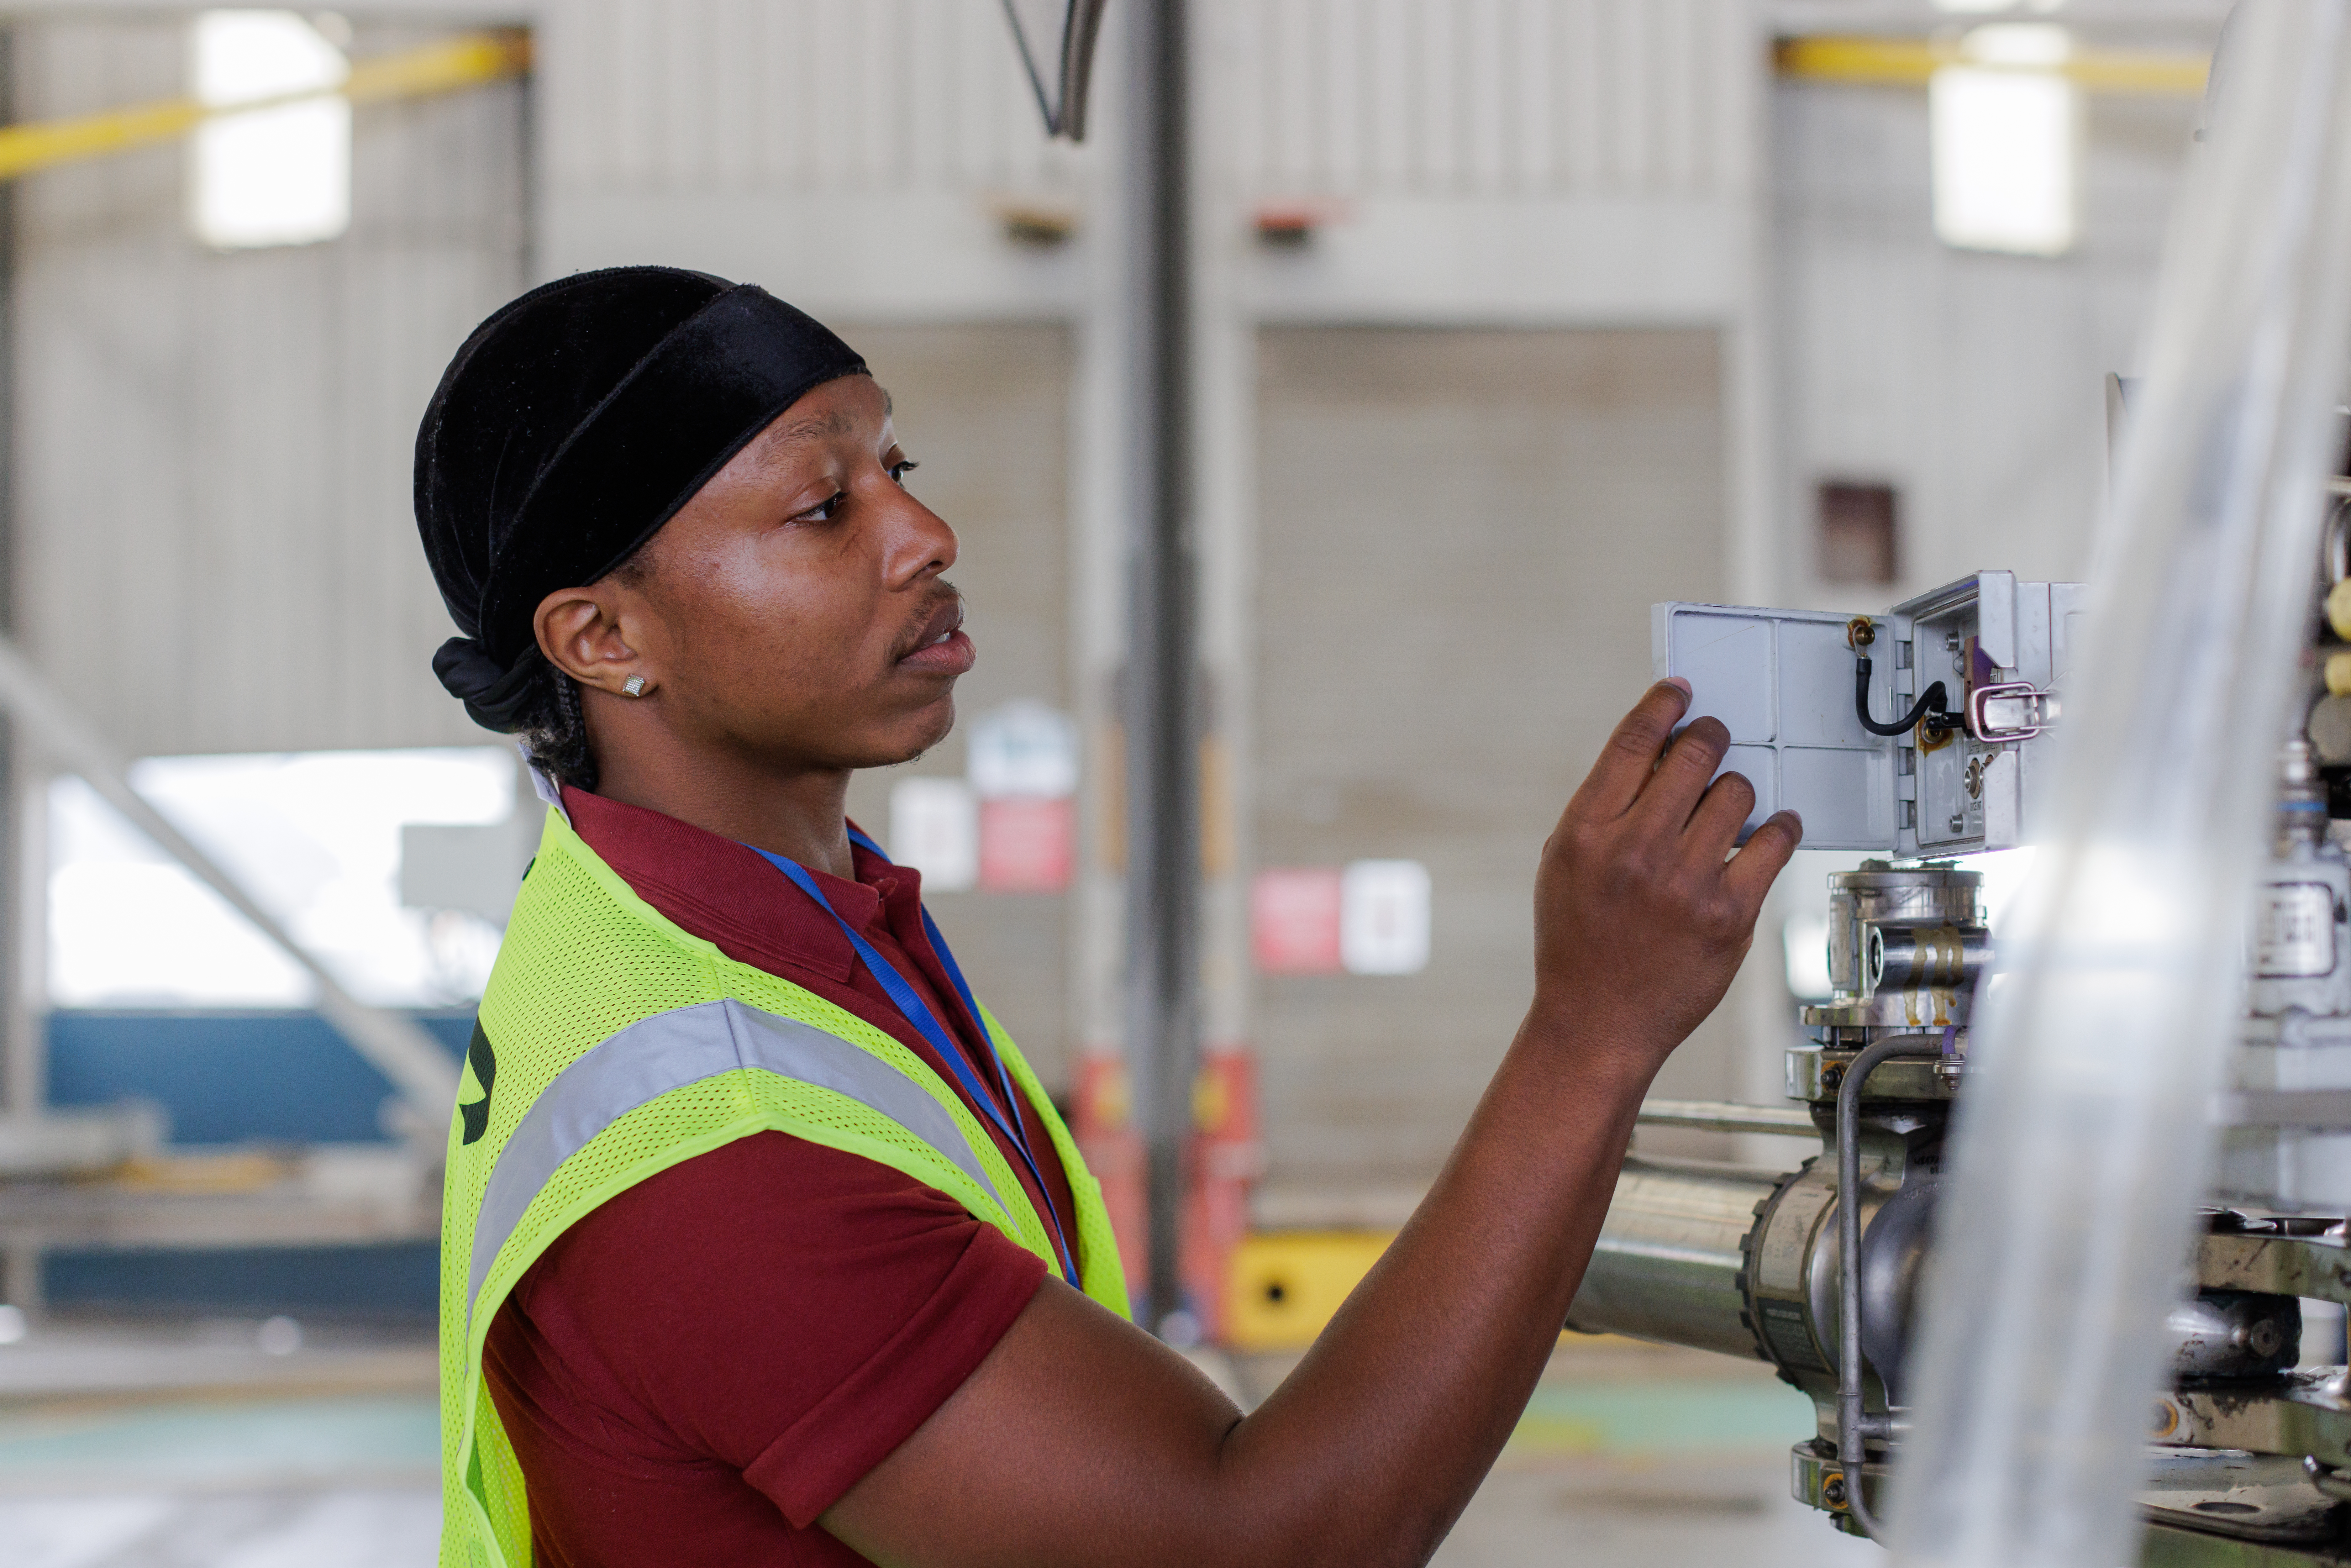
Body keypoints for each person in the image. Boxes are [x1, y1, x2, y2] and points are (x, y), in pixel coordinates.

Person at [415, 266, 1801, 1568]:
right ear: (603, 640)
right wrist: (1593, 1032)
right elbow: (1261, 1543)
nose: (926, 536)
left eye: (896, 469)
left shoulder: (755, 929)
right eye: (823, 509)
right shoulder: (710, 1150)